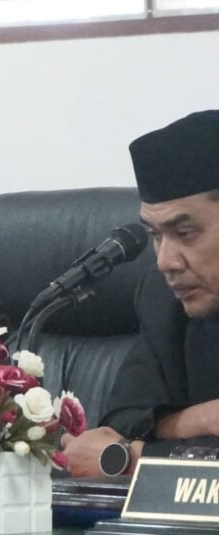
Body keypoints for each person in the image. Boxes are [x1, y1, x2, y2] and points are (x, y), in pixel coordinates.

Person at [62, 110, 219, 476]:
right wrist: (202, 418)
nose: (166, 262)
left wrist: (132, 461)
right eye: (155, 235)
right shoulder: (162, 298)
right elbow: (122, 421)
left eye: (186, 232)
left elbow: (117, 449)